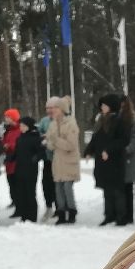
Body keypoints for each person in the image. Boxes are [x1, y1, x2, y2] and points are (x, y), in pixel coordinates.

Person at [84, 93, 130, 226]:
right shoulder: (101, 120)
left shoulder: (120, 121)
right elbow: (95, 138)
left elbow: (123, 140)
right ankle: (109, 215)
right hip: (102, 162)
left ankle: (121, 216)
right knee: (107, 190)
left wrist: (108, 150)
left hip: (115, 162)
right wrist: (89, 151)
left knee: (117, 190)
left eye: (104, 105)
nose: (102, 107)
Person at [43, 96, 81, 225]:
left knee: (67, 188)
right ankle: (61, 213)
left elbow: (71, 145)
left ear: (62, 110)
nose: (53, 111)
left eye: (56, 108)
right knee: (58, 189)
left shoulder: (71, 123)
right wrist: (52, 142)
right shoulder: (53, 124)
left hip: (69, 161)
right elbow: (50, 144)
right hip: (57, 162)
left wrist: (55, 140)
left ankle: (71, 212)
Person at [12, 116, 44, 223]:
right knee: (21, 193)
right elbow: (17, 152)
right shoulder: (20, 138)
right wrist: (10, 158)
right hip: (19, 169)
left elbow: (41, 153)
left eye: (23, 126)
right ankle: (24, 216)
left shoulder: (35, 137)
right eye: (20, 125)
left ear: (28, 126)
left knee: (30, 193)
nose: (20, 127)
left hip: (31, 170)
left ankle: (32, 216)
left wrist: (34, 159)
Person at [120, 97, 135, 224]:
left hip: (128, 159)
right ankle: (122, 214)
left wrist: (125, 150)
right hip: (121, 159)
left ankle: (129, 216)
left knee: (128, 189)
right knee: (121, 189)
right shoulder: (118, 119)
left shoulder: (132, 120)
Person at [37, 108, 57, 221]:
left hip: (58, 158)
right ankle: (48, 206)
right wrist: (42, 136)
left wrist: (50, 138)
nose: (50, 111)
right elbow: (39, 132)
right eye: (48, 109)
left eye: (52, 109)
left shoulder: (61, 120)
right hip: (46, 157)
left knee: (57, 184)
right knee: (46, 183)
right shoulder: (44, 120)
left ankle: (60, 207)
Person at [2, 108, 22, 216]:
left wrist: (9, 146)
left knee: (17, 186)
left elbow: (19, 144)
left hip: (16, 161)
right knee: (11, 185)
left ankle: (19, 207)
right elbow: (4, 141)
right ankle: (15, 203)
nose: (5, 119)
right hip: (9, 161)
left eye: (7, 116)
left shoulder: (19, 130)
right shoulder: (8, 130)